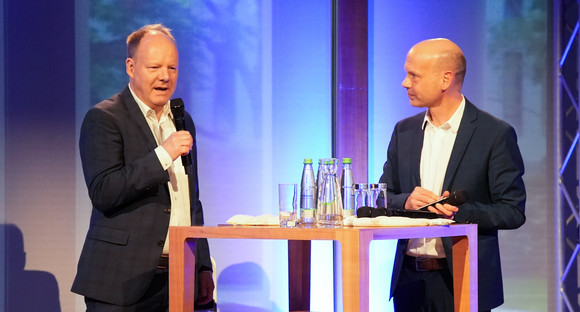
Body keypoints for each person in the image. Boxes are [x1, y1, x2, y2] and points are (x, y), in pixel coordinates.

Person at [72, 24, 215, 311]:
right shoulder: (104, 118)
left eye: (172, 68)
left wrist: (202, 266)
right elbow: (104, 191)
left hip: (178, 277)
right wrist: (164, 153)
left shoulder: (181, 119)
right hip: (122, 281)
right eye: (154, 67)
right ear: (131, 66)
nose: (165, 76)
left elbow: (190, 201)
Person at [379, 38, 526, 311]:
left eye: (414, 75)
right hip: (409, 282)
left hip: (463, 279)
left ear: (446, 79)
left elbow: (512, 211)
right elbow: (382, 197)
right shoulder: (404, 131)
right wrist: (405, 202)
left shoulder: (494, 134)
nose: (405, 83)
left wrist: (457, 213)